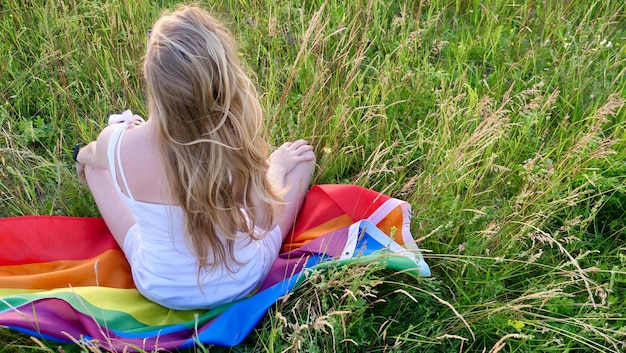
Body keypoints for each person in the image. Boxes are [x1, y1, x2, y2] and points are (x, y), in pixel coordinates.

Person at [75, 5, 316, 310]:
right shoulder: (235, 146)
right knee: (302, 162)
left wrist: (103, 145)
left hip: (158, 286)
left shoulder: (117, 145)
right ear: (223, 81)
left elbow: (90, 154)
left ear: (153, 79)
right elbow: (263, 220)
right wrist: (277, 169)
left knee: (95, 170)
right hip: (241, 282)